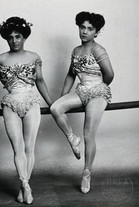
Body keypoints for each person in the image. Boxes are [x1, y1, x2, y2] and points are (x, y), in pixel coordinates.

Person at [0, 17, 53, 204]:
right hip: (10, 104)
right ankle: (26, 185)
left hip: (31, 102)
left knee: (30, 147)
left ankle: (24, 186)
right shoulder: (0, 59)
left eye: (18, 36)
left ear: (24, 37)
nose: (14, 40)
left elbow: (40, 82)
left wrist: (51, 103)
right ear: (6, 38)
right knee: (18, 148)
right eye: (11, 37)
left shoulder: (34, 57)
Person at [50, 11, 114, 194]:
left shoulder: (98, 49)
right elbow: (71, 74)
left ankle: (86, 172)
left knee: (88, 134)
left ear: (96, 32)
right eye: (82, 27)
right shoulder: (76, 51)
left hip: (98, 92)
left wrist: (99, 89)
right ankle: (72, 138)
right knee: (56, 108)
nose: (85, 31)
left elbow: (110, 74)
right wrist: (62, 96)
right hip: (82, 90)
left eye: (90, 29)